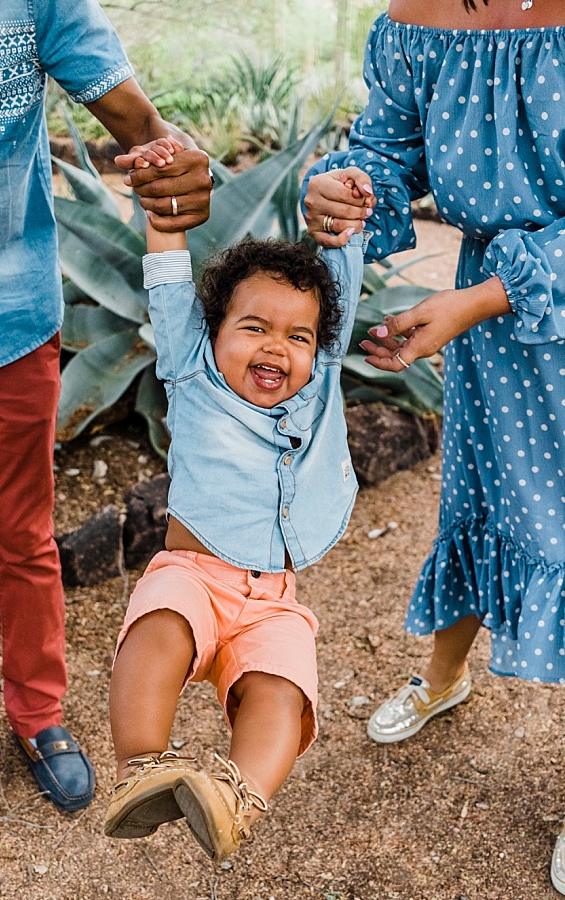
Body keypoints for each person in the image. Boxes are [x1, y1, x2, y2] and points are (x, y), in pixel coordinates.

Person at [301, 1, 565, 891]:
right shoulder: (416, 19)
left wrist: (483, 295)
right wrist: (345, 187)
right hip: (495, 329)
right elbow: (387, 144)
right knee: (485, 502)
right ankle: (445, 677)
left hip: (509, 300)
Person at [0, 0, 212, 813]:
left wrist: (172, 161)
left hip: (3, 318)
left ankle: (35, 714)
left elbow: (135, 119)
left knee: (23, 531)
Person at [102, 138, 365, 860]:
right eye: (253, 328)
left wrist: (341, 218)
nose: (276, 347)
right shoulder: (191, 372)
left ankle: (234, 797)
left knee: (284, 689)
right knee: (159, 629)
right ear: (212, 331)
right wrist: (163, 205)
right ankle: (141, 768)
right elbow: (167, 274)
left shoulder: (320, 383)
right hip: (195, 576)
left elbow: (340, 275)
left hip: (275, 598)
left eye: (298, 336)